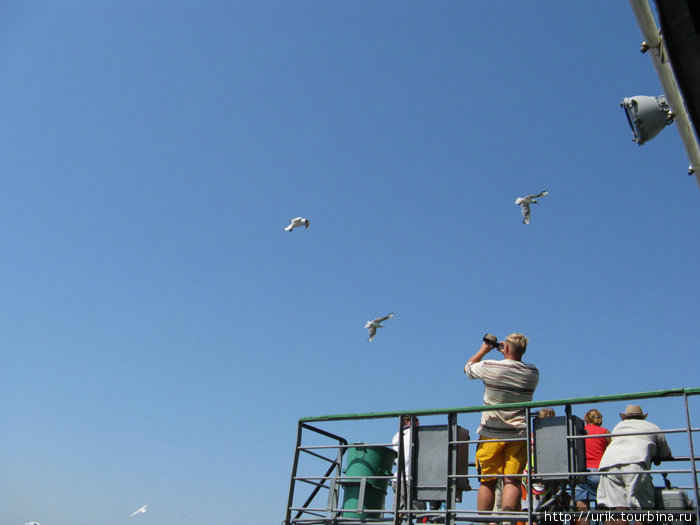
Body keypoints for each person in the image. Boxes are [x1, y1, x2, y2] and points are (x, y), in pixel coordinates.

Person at [464, 333, 540, 516]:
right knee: (512, 481)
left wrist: (485, 348)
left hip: (492, 432)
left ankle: (484, 521)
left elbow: (468, 368)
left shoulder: (491, 366)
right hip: (518, 433)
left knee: (487, 481)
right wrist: (505, 350)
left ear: (505, 347)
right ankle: (510, 521)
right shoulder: (533, 372)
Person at [596, 405, 672, 523]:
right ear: (642, 417)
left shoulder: (618, 427)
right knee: (641, 509)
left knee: (618, 508)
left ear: (625, 417)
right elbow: (666, 453)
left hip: (609, 463)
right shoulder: (652, 427)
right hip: (635, 463)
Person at [574, 409, 610, 525]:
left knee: (582, 505)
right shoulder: (604, 432)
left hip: (582, 471)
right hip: (599, 471)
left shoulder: (580, 432)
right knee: (604, 505)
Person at [392, 416, 426, 514]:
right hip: (412, 481)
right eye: (416, 420)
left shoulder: (397, 436)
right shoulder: (417, 435)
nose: (419, 422)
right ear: (407, 422)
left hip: (398, 479)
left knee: (399, 513)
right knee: (421, 514)